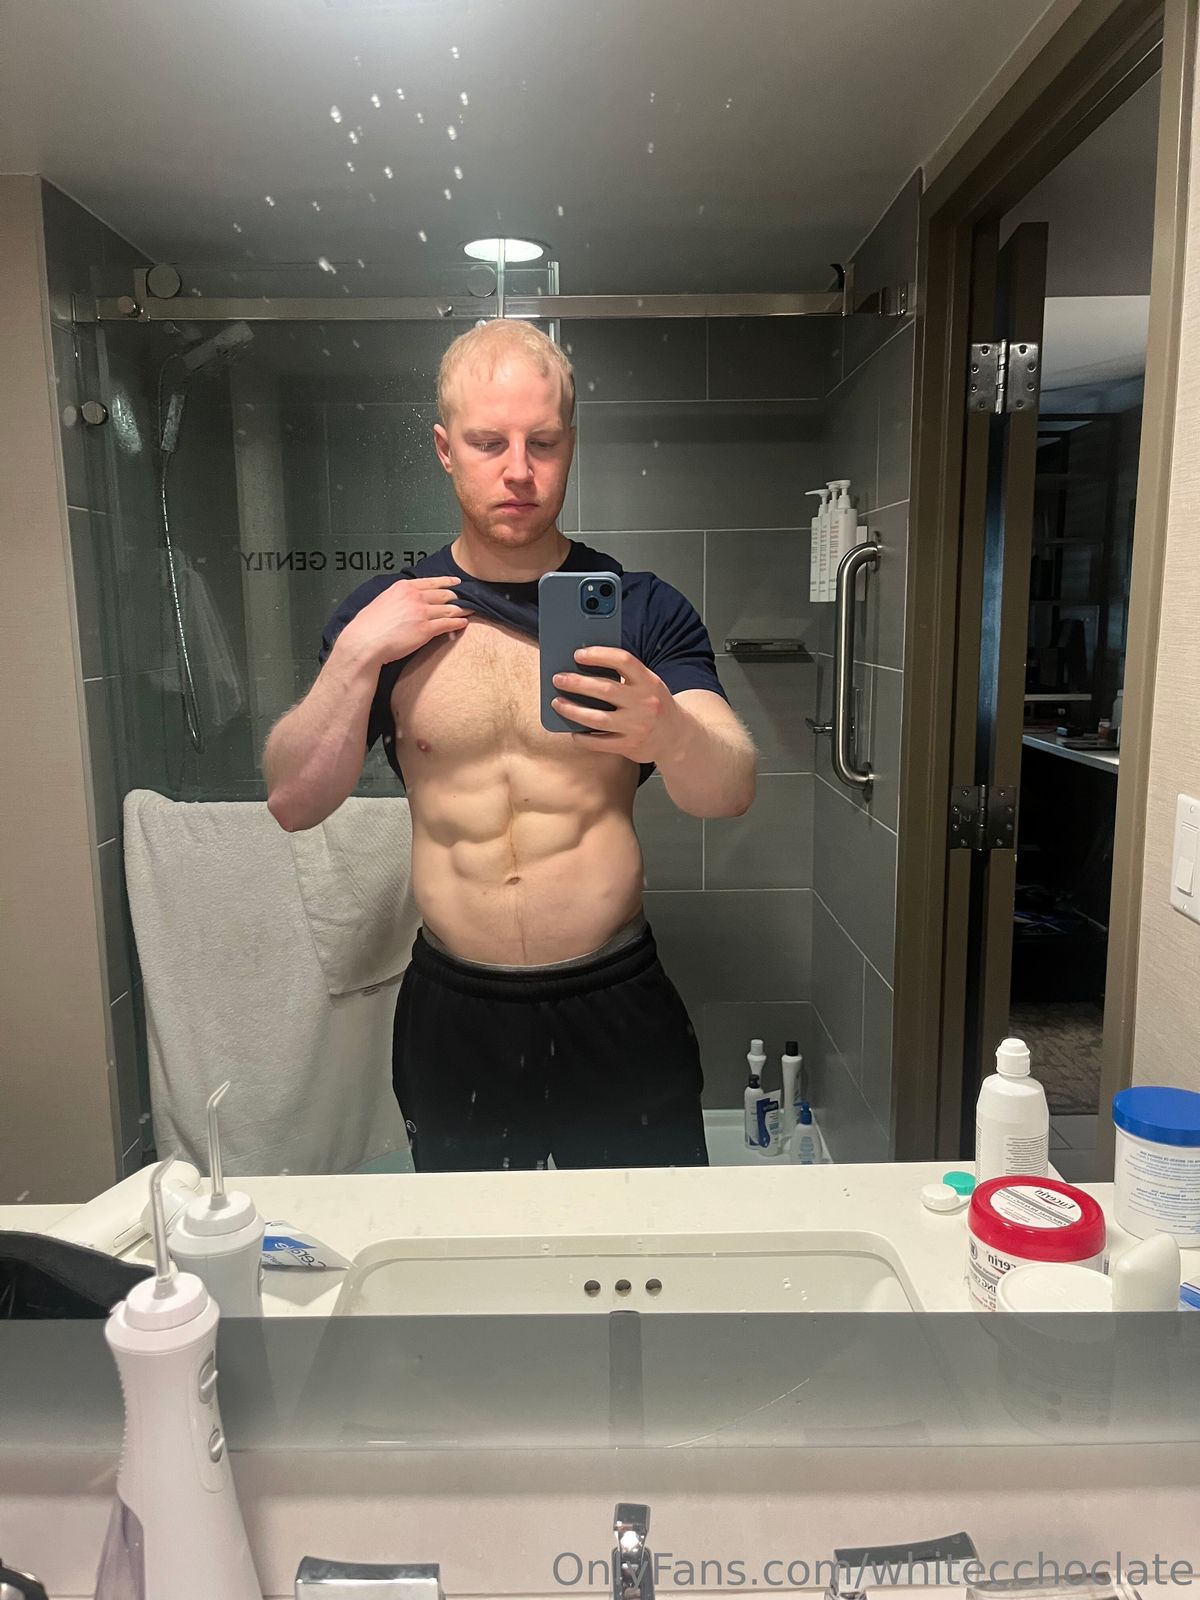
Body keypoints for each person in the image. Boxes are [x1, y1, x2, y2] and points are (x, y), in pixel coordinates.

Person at [264, 319, 756, 1171]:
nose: (519, 470)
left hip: (615, 996)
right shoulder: (389, 618)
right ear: (444, 449)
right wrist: (356, 654)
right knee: (471, 1245)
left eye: (544, 442)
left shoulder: (641, 609)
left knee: (646, 1240)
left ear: (571, 446)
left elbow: (729, 789)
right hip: (457, 1010)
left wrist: (668, 728)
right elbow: (293, 802)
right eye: (489, 442)